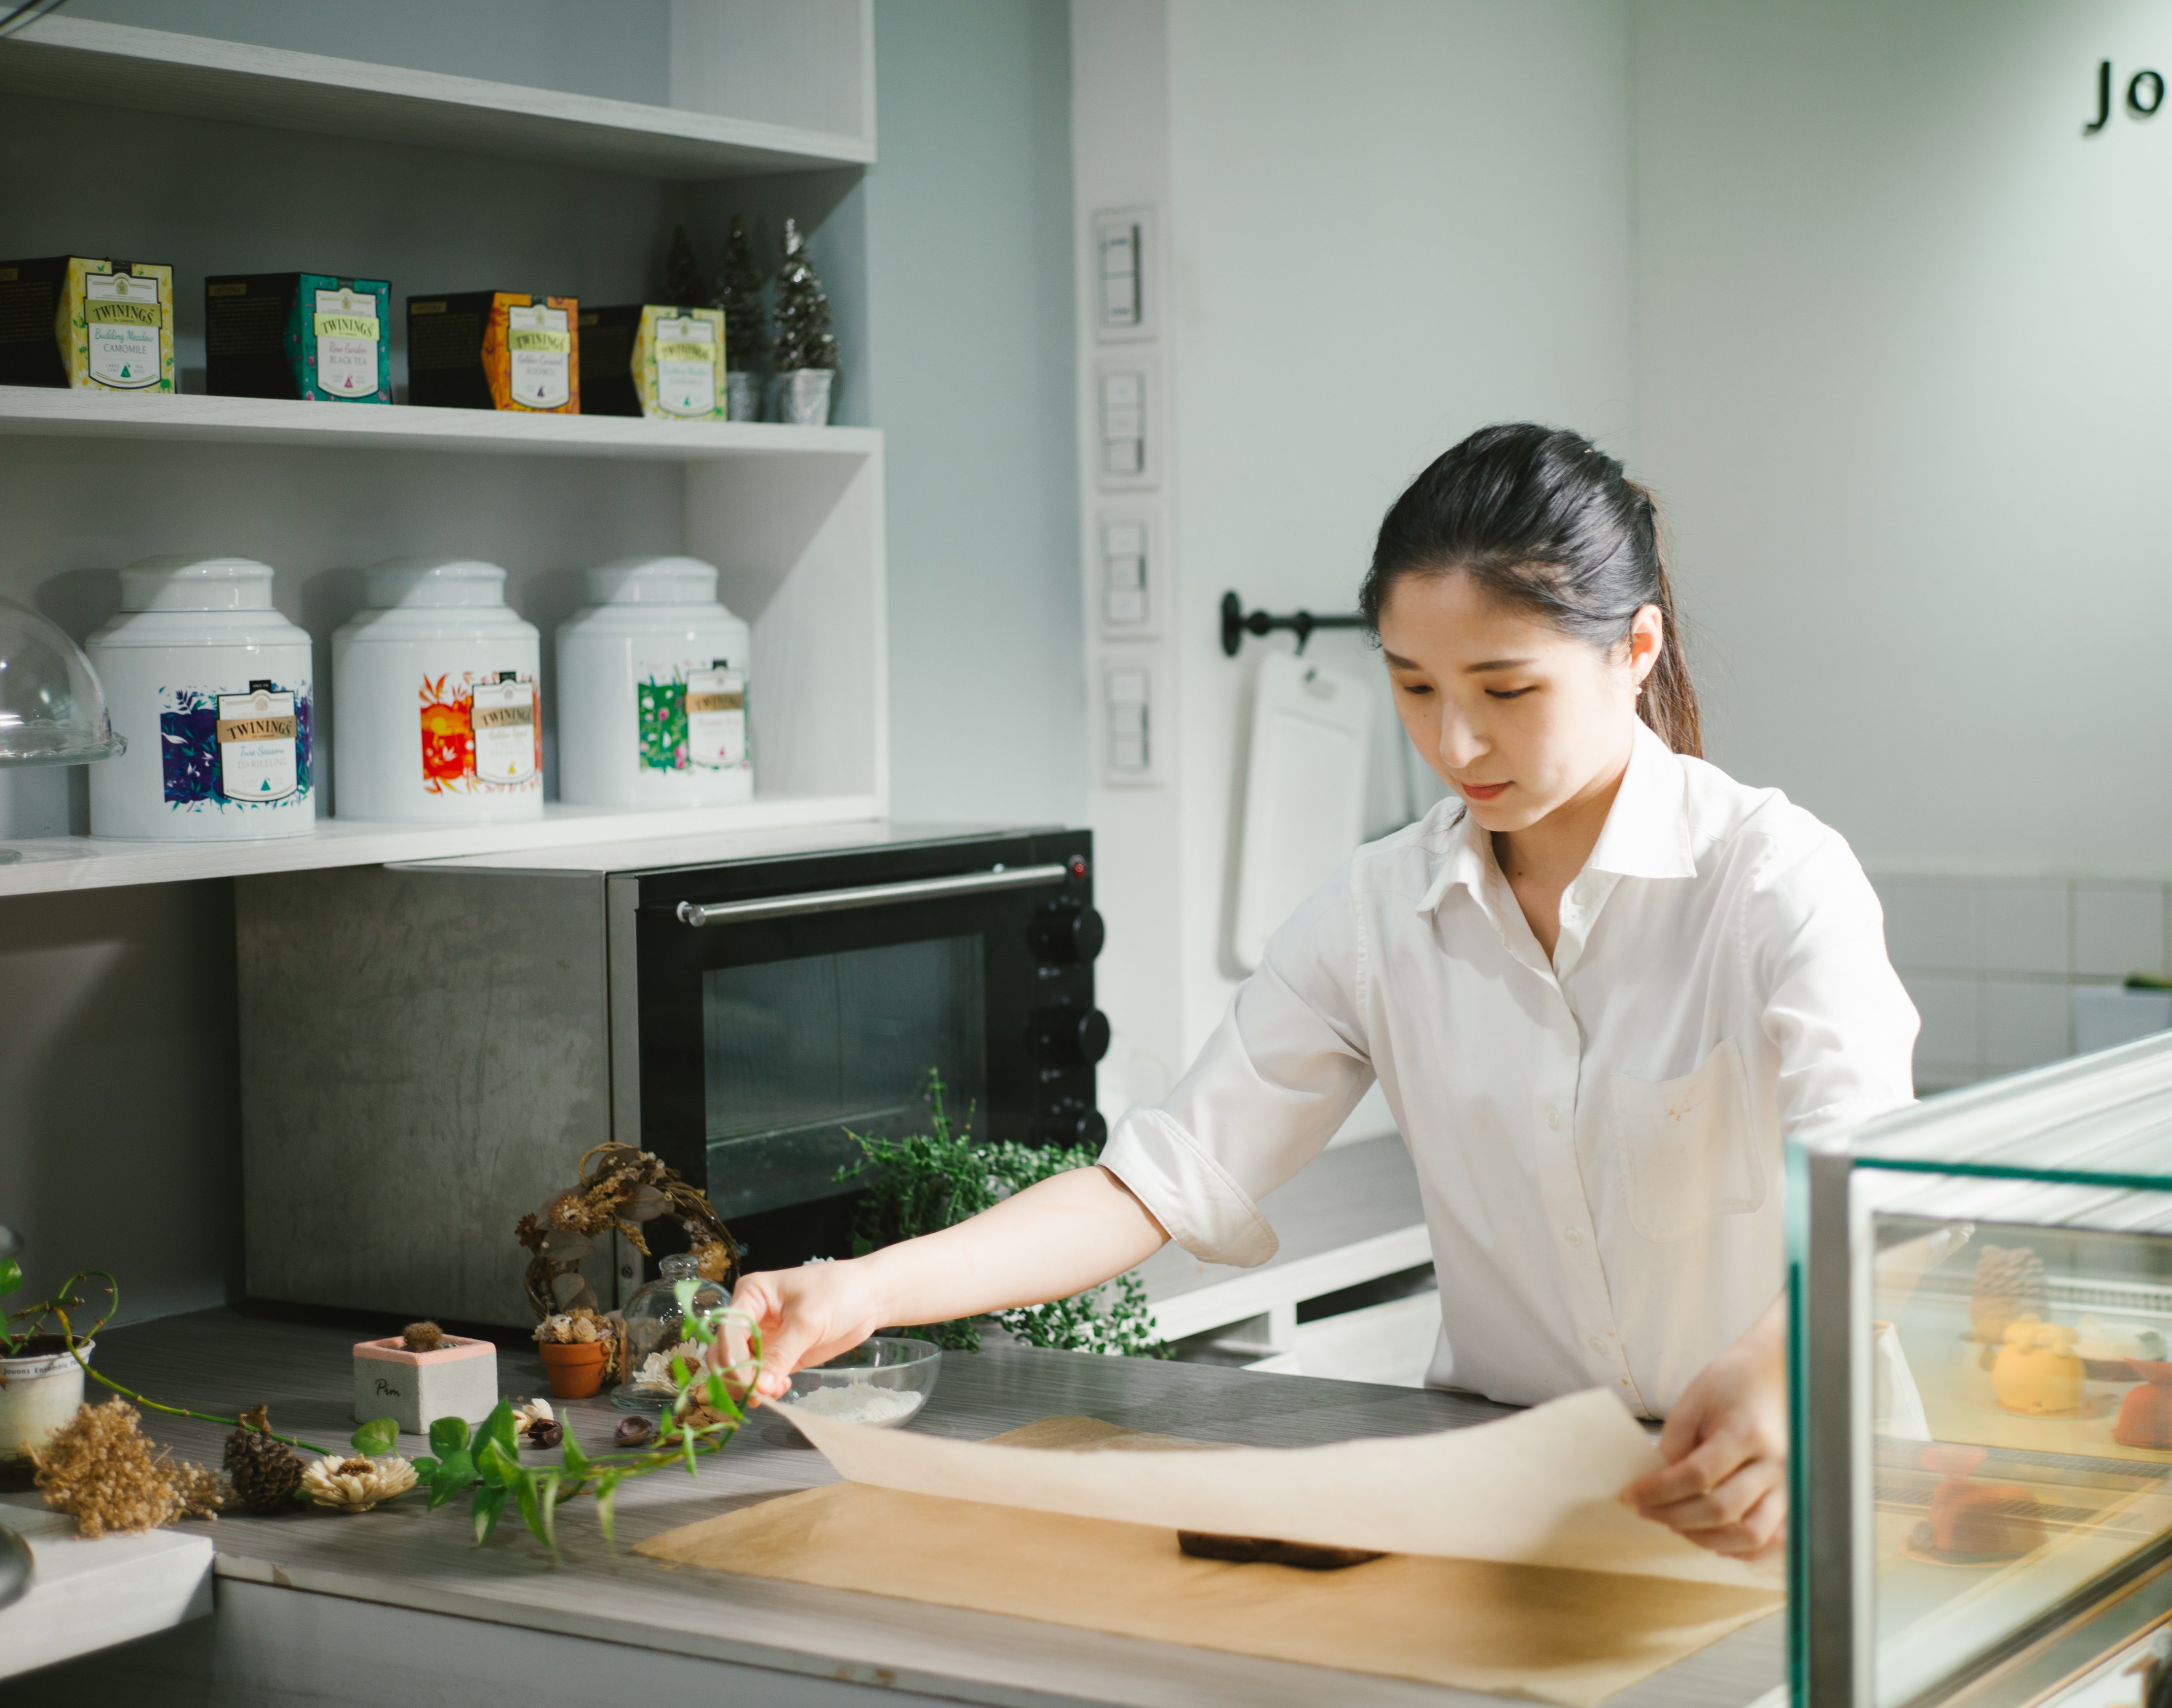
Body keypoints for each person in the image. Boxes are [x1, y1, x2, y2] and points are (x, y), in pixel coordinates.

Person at [730, 423, 1917, 1559]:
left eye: (1506, 691)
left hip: (1792, 1484)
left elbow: (1890, 1194)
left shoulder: (1771, 879)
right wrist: (860, 1291)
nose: (1454, 744)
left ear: (1635, 650)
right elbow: (1149, 1183)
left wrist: (1780, 1367)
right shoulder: (1378, 912)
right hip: (1516, 1496)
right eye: (1413, 688)